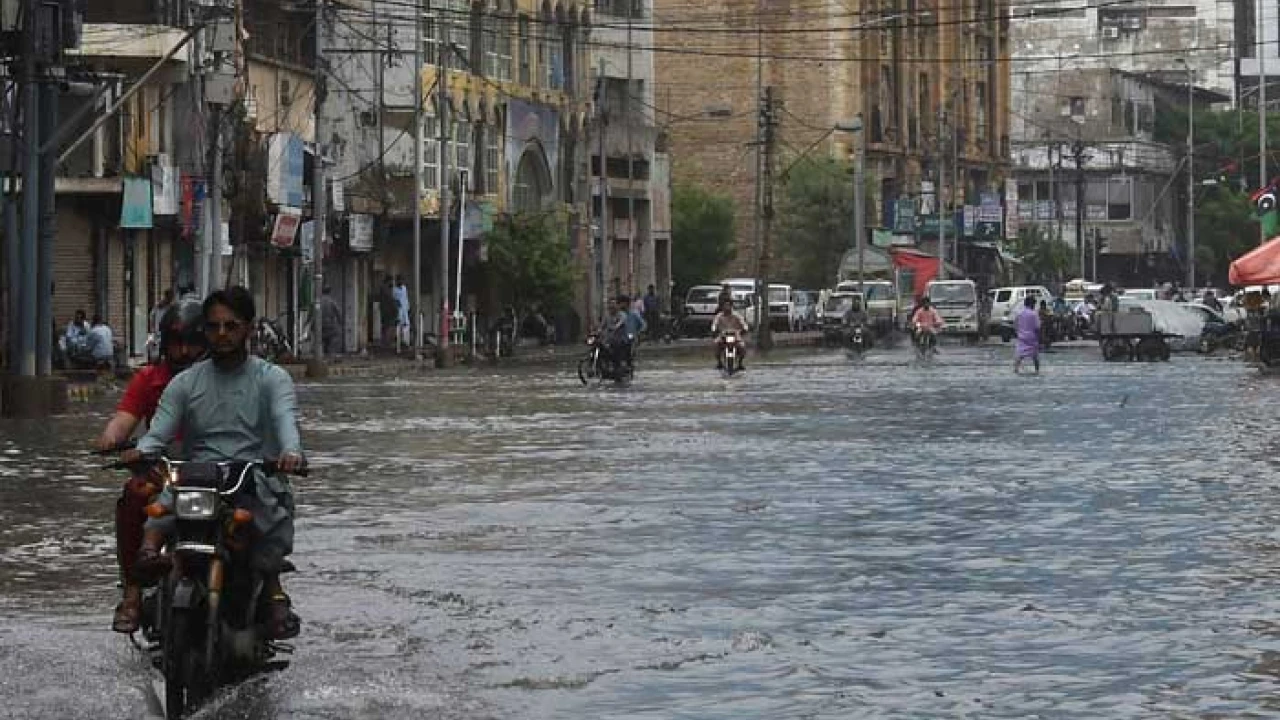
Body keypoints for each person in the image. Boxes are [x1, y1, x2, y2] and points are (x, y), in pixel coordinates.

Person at [130, 286, 305, 639]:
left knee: (266, 537)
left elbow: (286, 421)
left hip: (253, 477)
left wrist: (291, 453)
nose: (222, 334)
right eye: (213, 327)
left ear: (249, 329)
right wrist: (142, 450)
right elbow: (159, 431)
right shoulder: (185, 382)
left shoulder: (272, 379)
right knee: (159, 512)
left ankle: (272, 595)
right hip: (199, 478)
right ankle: (147, 575)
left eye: (231, 326)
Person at [97, 299, 206, 633]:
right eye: (176, 343)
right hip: (163, 472)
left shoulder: (221, 378)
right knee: (134, 495)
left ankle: (267, 593)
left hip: (216, 475)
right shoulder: (149, 379)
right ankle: (132, 592)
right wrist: (113, 441)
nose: (183, 351)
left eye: (191, 342)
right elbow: (122, 422)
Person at [711, 298, 749, 369]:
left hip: (735, 337)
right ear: (722, 306)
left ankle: (740, 363)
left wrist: (744, 329)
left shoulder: (737, 315)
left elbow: (744, 324)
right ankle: (719, 362)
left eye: (728, 305)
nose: (727, 307)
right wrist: (713, 330)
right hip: (723, 336)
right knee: (716, 344)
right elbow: (714, 324)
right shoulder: (719, 316)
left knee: (742, 346)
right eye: (725, 305)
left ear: (731, 306)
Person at [320, 286, 343, 357]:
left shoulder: (317, 301)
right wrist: (340, 322)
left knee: (323, 340)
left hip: (320, 324)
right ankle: (330, 354)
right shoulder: (332, 301)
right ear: (329, 292)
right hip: (330, 324)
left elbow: (311, 314)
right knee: (333, 339)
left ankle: (324, 354)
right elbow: (338, 312)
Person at [378, 276, 397, 348]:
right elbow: (390, 299)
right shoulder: (386, 289)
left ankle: (384, 342)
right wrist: (395, 308)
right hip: (388, 310)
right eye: (391, 281)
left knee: (385, 326)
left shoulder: (384, 288)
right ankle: (386, 342)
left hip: (384, 310)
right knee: (388, 326)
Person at [393, 275, 410, 347]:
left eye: (402, 280)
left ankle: (405, 343)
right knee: (398, 328)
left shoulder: (404, 288)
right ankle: (398, 346)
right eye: (400, 280)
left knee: (406, 327)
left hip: (405, 310)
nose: (401, 282)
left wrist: (408, 307)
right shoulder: (394, 290)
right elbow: (394, 300)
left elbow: (406, 298)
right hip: (399, 311)